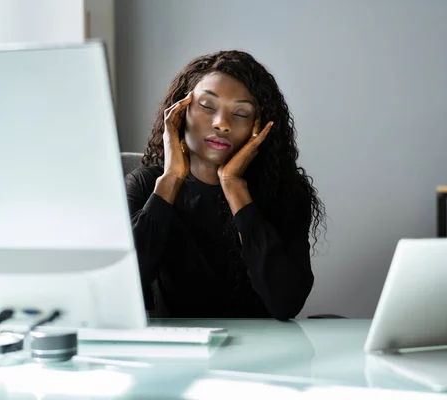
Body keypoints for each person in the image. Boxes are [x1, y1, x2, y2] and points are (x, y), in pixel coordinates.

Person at [125, 50, 326, 320]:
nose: (222, 124)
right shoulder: (145, 185)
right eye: (207, 107)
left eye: (241, 113)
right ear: (179, 114)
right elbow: (122, 290)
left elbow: (286, 303)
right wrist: (171, 179)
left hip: (263, 355)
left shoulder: (285, 194)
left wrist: (234, 187)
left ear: (259, 127)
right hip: (179, 355)